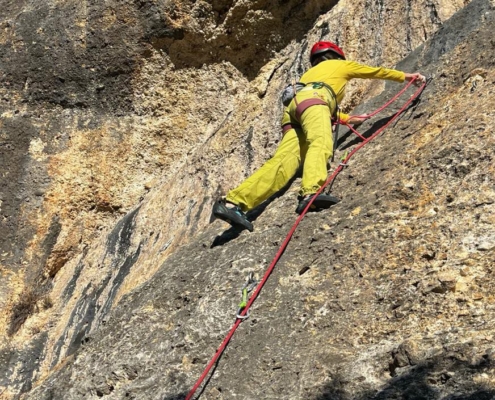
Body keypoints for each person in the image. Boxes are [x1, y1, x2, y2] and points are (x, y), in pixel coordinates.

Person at [212, 41, 426, 232]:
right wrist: (406, 76)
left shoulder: (308, 75)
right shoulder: (341, 65)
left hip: (293, 111)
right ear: (337, 56)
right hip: (314, 102)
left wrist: (348, 119)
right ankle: (310, 194)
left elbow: (313, 106)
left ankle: (233, 203)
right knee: (321, 142)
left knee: (284, 161)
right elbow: (374, 72)